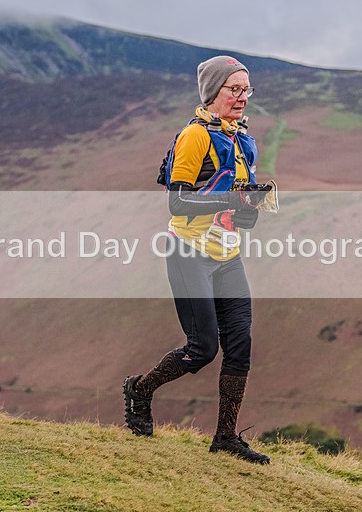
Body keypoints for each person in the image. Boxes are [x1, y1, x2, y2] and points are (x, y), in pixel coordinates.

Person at [124, 55, 271, 464]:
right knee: (203, 348)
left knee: (240, 347)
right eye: (235, 89)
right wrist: (230, 199)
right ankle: (140, 389)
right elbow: (176, 201)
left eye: (247, 90)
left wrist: (249, 209)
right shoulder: (194, 136)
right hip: (187, 251)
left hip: (228, 254)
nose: (243, 98)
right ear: (214, 92)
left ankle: (225, 437)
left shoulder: (244, 139)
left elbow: (240, 211)